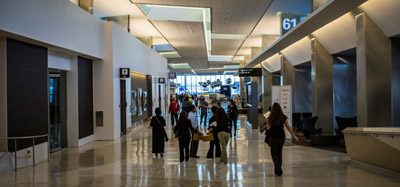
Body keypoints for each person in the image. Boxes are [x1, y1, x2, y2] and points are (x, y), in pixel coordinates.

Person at [267, 103, 299, 176]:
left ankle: (278, 169)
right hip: (281, 137)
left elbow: (268, 128)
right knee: (279, 153)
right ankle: (277, 170)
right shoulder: (283, 117)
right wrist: (294, 135)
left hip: (273, 137)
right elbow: (288, 127)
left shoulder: (270, 117)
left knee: (274, 154)